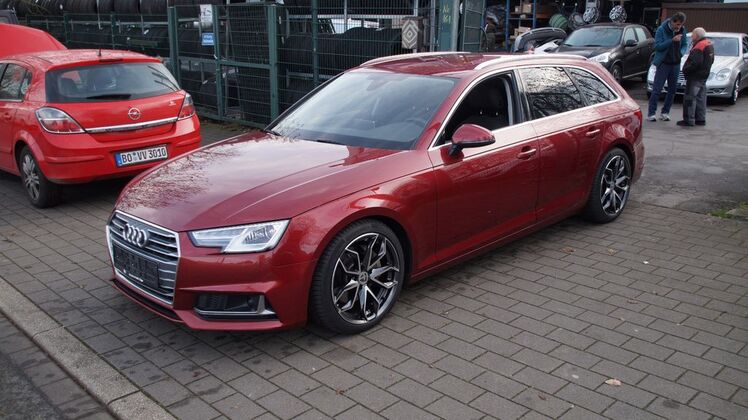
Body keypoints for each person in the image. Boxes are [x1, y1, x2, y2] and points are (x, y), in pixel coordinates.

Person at [647, 12, 688, 122]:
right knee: (657, 89)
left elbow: (685, 44)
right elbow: (657, 46)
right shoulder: (661, 30)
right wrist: (671, 40)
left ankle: (665, 112)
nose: (679, 27)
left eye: (681, 24)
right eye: (677, 24)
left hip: (676, 63)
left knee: (672, 90)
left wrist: (681, 53)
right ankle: (651, 113)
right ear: (672, 22)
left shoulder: (682, 30)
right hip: (664, 63)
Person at [678, 27, 714, 127]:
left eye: (693, 34)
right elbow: (711, 60)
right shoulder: (708, 44)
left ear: (697, 36)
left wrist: (686, 70)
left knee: (690, 98)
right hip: (703, 75)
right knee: (700, 97)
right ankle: (700, 119)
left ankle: (689, 120)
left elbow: (695, 63)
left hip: (695, 76)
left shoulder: (699, 46)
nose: (692, 36)